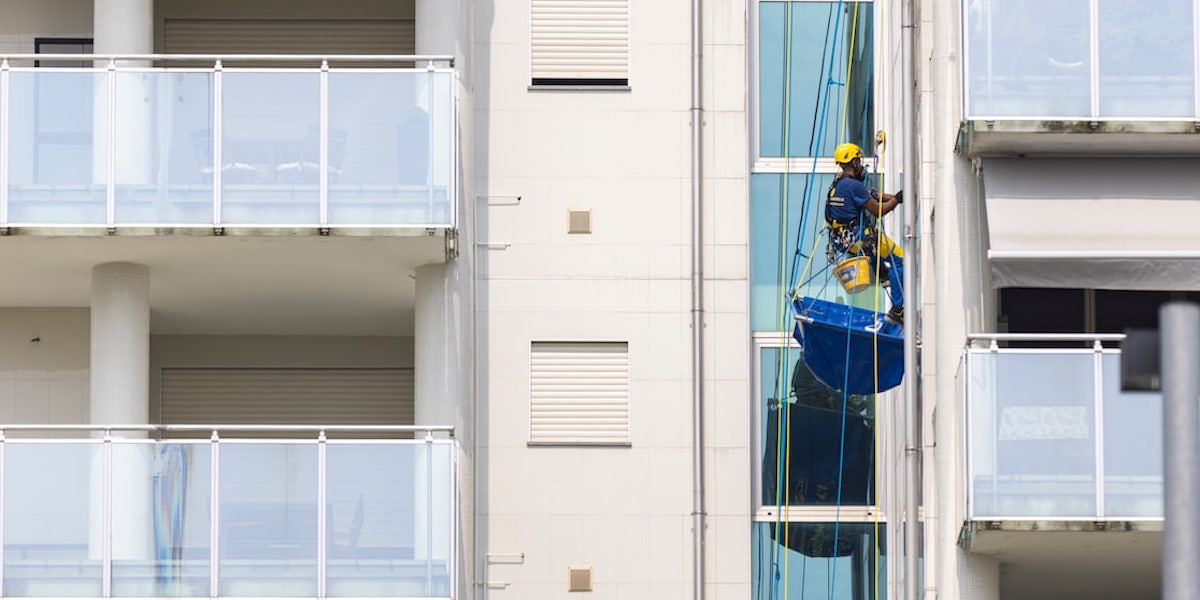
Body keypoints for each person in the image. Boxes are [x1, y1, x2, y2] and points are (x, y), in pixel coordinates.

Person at [825, 142, 906, 325]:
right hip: (858, 237)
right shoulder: (853, 186)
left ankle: (884, 276)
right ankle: (898, 310)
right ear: (853, 162)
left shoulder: (838, 184)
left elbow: (872, 196)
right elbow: (879, 210)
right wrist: (897, 201)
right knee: (899, 259)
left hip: (841, 239)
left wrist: (896, 197)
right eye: (859, 161)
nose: (861, 164)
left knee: (878, 253)